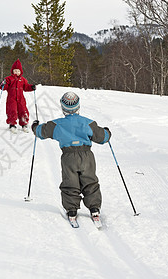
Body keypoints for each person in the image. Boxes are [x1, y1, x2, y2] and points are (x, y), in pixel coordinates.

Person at [31, 91, 111, 223]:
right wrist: (107, 132)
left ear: (63, 108)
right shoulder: (88, 123)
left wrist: (35, 126)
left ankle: (72, 209)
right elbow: (103, 137)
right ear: (78, 107)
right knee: (90, 181)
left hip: (68, 157)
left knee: (70, 182)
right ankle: (94, 208)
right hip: (87, 156)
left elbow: (41, 132)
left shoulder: (56, 125)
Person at [0, 59, 36, 133]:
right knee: (12, 111)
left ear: (21, 72)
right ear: (12, 71)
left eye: (18, 71)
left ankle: (24, 124)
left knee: (23, 111)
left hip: (21, 99)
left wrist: (31, 87)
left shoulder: (23, 80)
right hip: (11, 99)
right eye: (15, 71)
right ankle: (12, 124)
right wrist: (2, 84)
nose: (16, 72)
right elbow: (4, 87)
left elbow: (26, 87)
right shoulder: (9, 79)